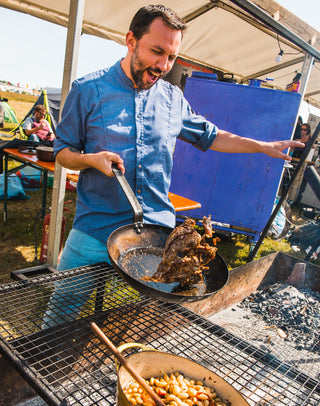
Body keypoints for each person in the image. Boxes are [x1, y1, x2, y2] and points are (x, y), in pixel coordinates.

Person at [43, 4, 303, 328]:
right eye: (157, 52)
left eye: (171, 57)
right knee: (58, 318)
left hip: (156, 237)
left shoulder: (172, 99)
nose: (163, 65)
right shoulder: (87, 90)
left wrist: (261, 147)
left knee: (153, 325)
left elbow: (212, 136)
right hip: (95, 228)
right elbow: (62, 152)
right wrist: (90, 160)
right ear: (130, 40)